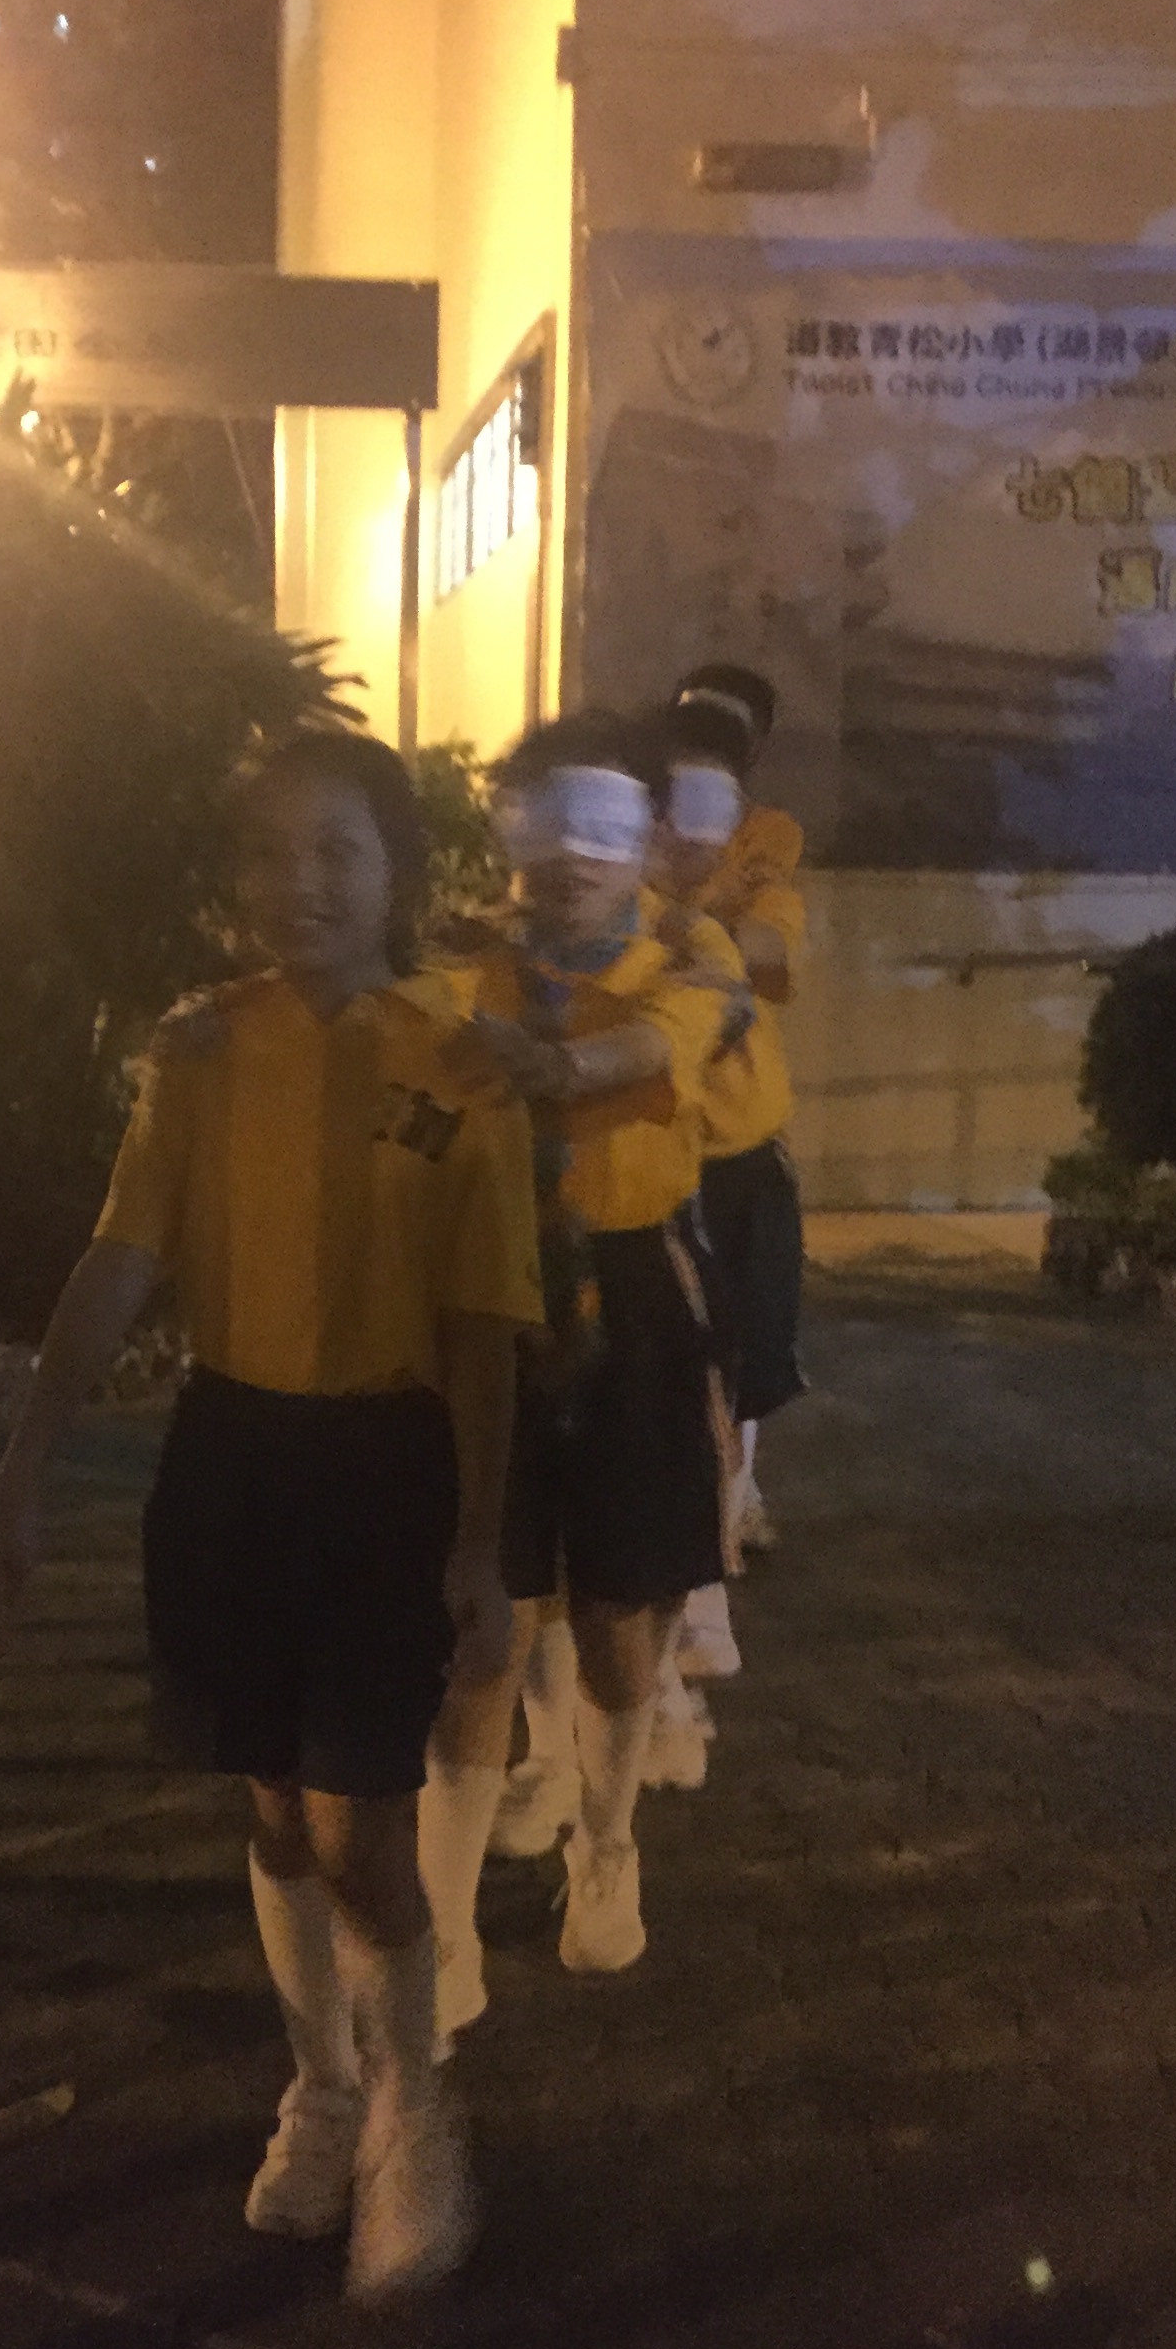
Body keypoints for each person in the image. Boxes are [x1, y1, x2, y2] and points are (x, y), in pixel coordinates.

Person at [0, 729, 540, 2303]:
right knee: (276, 1808)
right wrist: (23, 1474)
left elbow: (487, 1322)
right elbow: (119, 1263)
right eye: (271, 853)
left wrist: (480, 1540)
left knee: (360, 1824)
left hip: (385, 1465)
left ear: (397, 872)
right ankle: (325, 2089)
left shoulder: (461, 1064)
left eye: (338, 851)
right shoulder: (201, 1055)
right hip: (229, 1461)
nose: (303, 884)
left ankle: (417, 2109)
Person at [417, 712, 740, 2045]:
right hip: (483, 1301)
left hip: (632, 1304)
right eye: (540, 824)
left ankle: (604, 1845)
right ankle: (438, 1939)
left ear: (649, 840)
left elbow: (653, 1048)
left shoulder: (690, 963)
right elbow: (392, 1094)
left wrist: (543, 1063)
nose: (568, 856)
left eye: (601, 827)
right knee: (479, 1627)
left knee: (616, 1623)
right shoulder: (460, 971)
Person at [651, 667, 808, 1557]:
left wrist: (685, 913)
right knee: (675, 1347)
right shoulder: (629, 846)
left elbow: (772, 946)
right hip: (659, 1143)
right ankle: (697, 1509)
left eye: (725, 757)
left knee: (750, 1343)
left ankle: (734, 1501)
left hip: (743, 1142)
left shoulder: (765, 848)